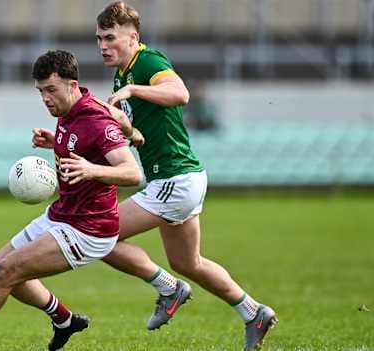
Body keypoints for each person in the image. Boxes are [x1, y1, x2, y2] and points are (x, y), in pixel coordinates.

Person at [0, 50, 142, 351]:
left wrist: (91, 169)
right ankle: (64, 320)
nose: (46, 98)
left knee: (5, 273)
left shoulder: (96, 121)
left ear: (73, 85)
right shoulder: (68, 112)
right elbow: (80, 146)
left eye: (51, 90)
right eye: (41, 91)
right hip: (63, 214)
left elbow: (132, 172)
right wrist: (55, 142)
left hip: (89, 229)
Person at [94, 2, 276, 350]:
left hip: (174, 181)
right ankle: (254, 313)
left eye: (110, 38)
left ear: (133, 37)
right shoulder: (123, 72)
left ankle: (168, 287)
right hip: (181, 179)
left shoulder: (147, 62)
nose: (103, 46)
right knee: (187, 262)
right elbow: (146, 126)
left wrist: (133, 91)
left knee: (98, 234)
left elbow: (180, 93)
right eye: (99, 39)